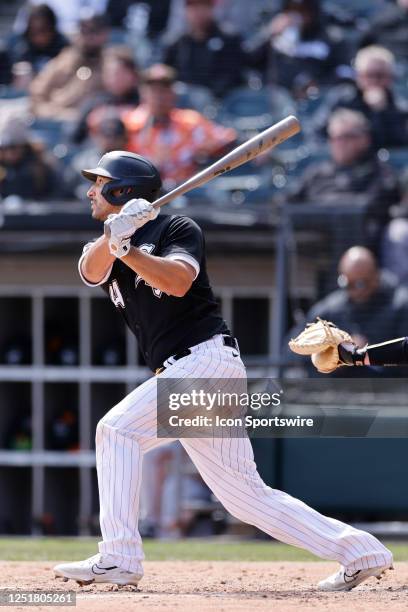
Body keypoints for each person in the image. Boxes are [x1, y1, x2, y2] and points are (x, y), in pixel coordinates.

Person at [53, 150, 393, 591]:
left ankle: (119, 556)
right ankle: (361, 551)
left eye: (99, 184)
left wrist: (129, 248)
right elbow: (91, 269)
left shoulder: (177, 228)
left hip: (204, 361)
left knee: (116, 431)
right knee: (245, 498)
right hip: (188, 371)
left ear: (122, 190)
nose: (90, 191)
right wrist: (116, 238)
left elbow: (176, 281)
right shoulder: (106, 241)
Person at [285, 108, 400, 252]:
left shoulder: (380, 172)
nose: (339, 143)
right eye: (334, 138)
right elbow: (287, 203)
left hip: (365, 248)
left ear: (365, 139)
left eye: (346, 137)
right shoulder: (316, 173)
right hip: (318, 249)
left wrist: (320, 204)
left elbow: (370, 206)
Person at [287, 246, 408, 376]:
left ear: (375, 276)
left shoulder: (400, 305)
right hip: (340, 392)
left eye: (360, 284)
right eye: (346, 283)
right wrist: (333, 354)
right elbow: (290, 352)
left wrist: (367, 353)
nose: (354, 291)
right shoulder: (332, 309)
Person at [122, 63, 236, 186]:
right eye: (153, 90)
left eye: (164, 90)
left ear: (173, 93)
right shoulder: (128, 124)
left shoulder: (190, 123)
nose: (159, 96)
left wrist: (204, 151)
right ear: (143, 92)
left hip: (185, 191)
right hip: (141, 192)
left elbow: (227, 139)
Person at [312, 45, 408, 149]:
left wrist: (380, 111)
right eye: (369, 75)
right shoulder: (342, 100)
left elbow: (398, 144)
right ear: (359, 77)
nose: (374, 81)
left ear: (390, 77)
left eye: (380, 75)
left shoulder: (400, 108)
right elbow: (318, 134)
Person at [29, 13, 108, 121]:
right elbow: (37, 91)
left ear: (105, 34)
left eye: (93, 31)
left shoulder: (110, 64)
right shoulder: (65, 59)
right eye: (83, 31)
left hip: (90, 125)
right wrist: (51, 112)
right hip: (54, 118)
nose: (88, 37)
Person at [162, 0, 247, 98]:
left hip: (222, 102)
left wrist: (211, 94)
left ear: (212, 9)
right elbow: (167, 73)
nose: (199, 12)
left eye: (204, 7)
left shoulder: (230, 38)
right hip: (184, 102)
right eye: (194, 7)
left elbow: (232, 74)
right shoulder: (177, 42)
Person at [70, 46, 139, 145]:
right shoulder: (93, 102)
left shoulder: (145, 103)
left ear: (133, 75)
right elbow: (75, 137)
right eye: (111, 73)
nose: (115, 78)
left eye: (121, 73)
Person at [0, 116, 59, 200]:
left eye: (13, 147)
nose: (9, 153)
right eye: (4, 148)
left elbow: (55, 194)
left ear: (23, 146)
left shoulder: (41, 165)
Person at [7, 4, 69, 75]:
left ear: (52, 29)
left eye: (43, 31)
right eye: (33, 32)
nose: (38, 37)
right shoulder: (19, 47)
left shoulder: (64, 48)